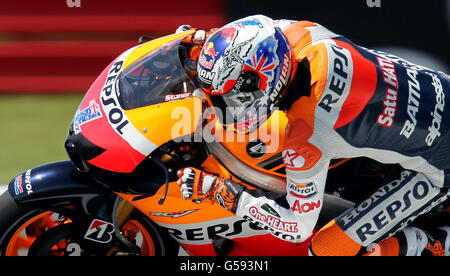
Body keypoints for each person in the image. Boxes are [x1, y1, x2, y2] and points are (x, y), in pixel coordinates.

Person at [176, 15, 450, 256]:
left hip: (441, 168)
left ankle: (432, 244)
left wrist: (224, 194)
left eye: (234, 97)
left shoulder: (307, 135)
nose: (228, 106)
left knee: (326, 250)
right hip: (443, 90)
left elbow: (296, 227)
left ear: (266, 79)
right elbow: (245, 38)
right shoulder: (301, 33)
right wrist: (206, 42)